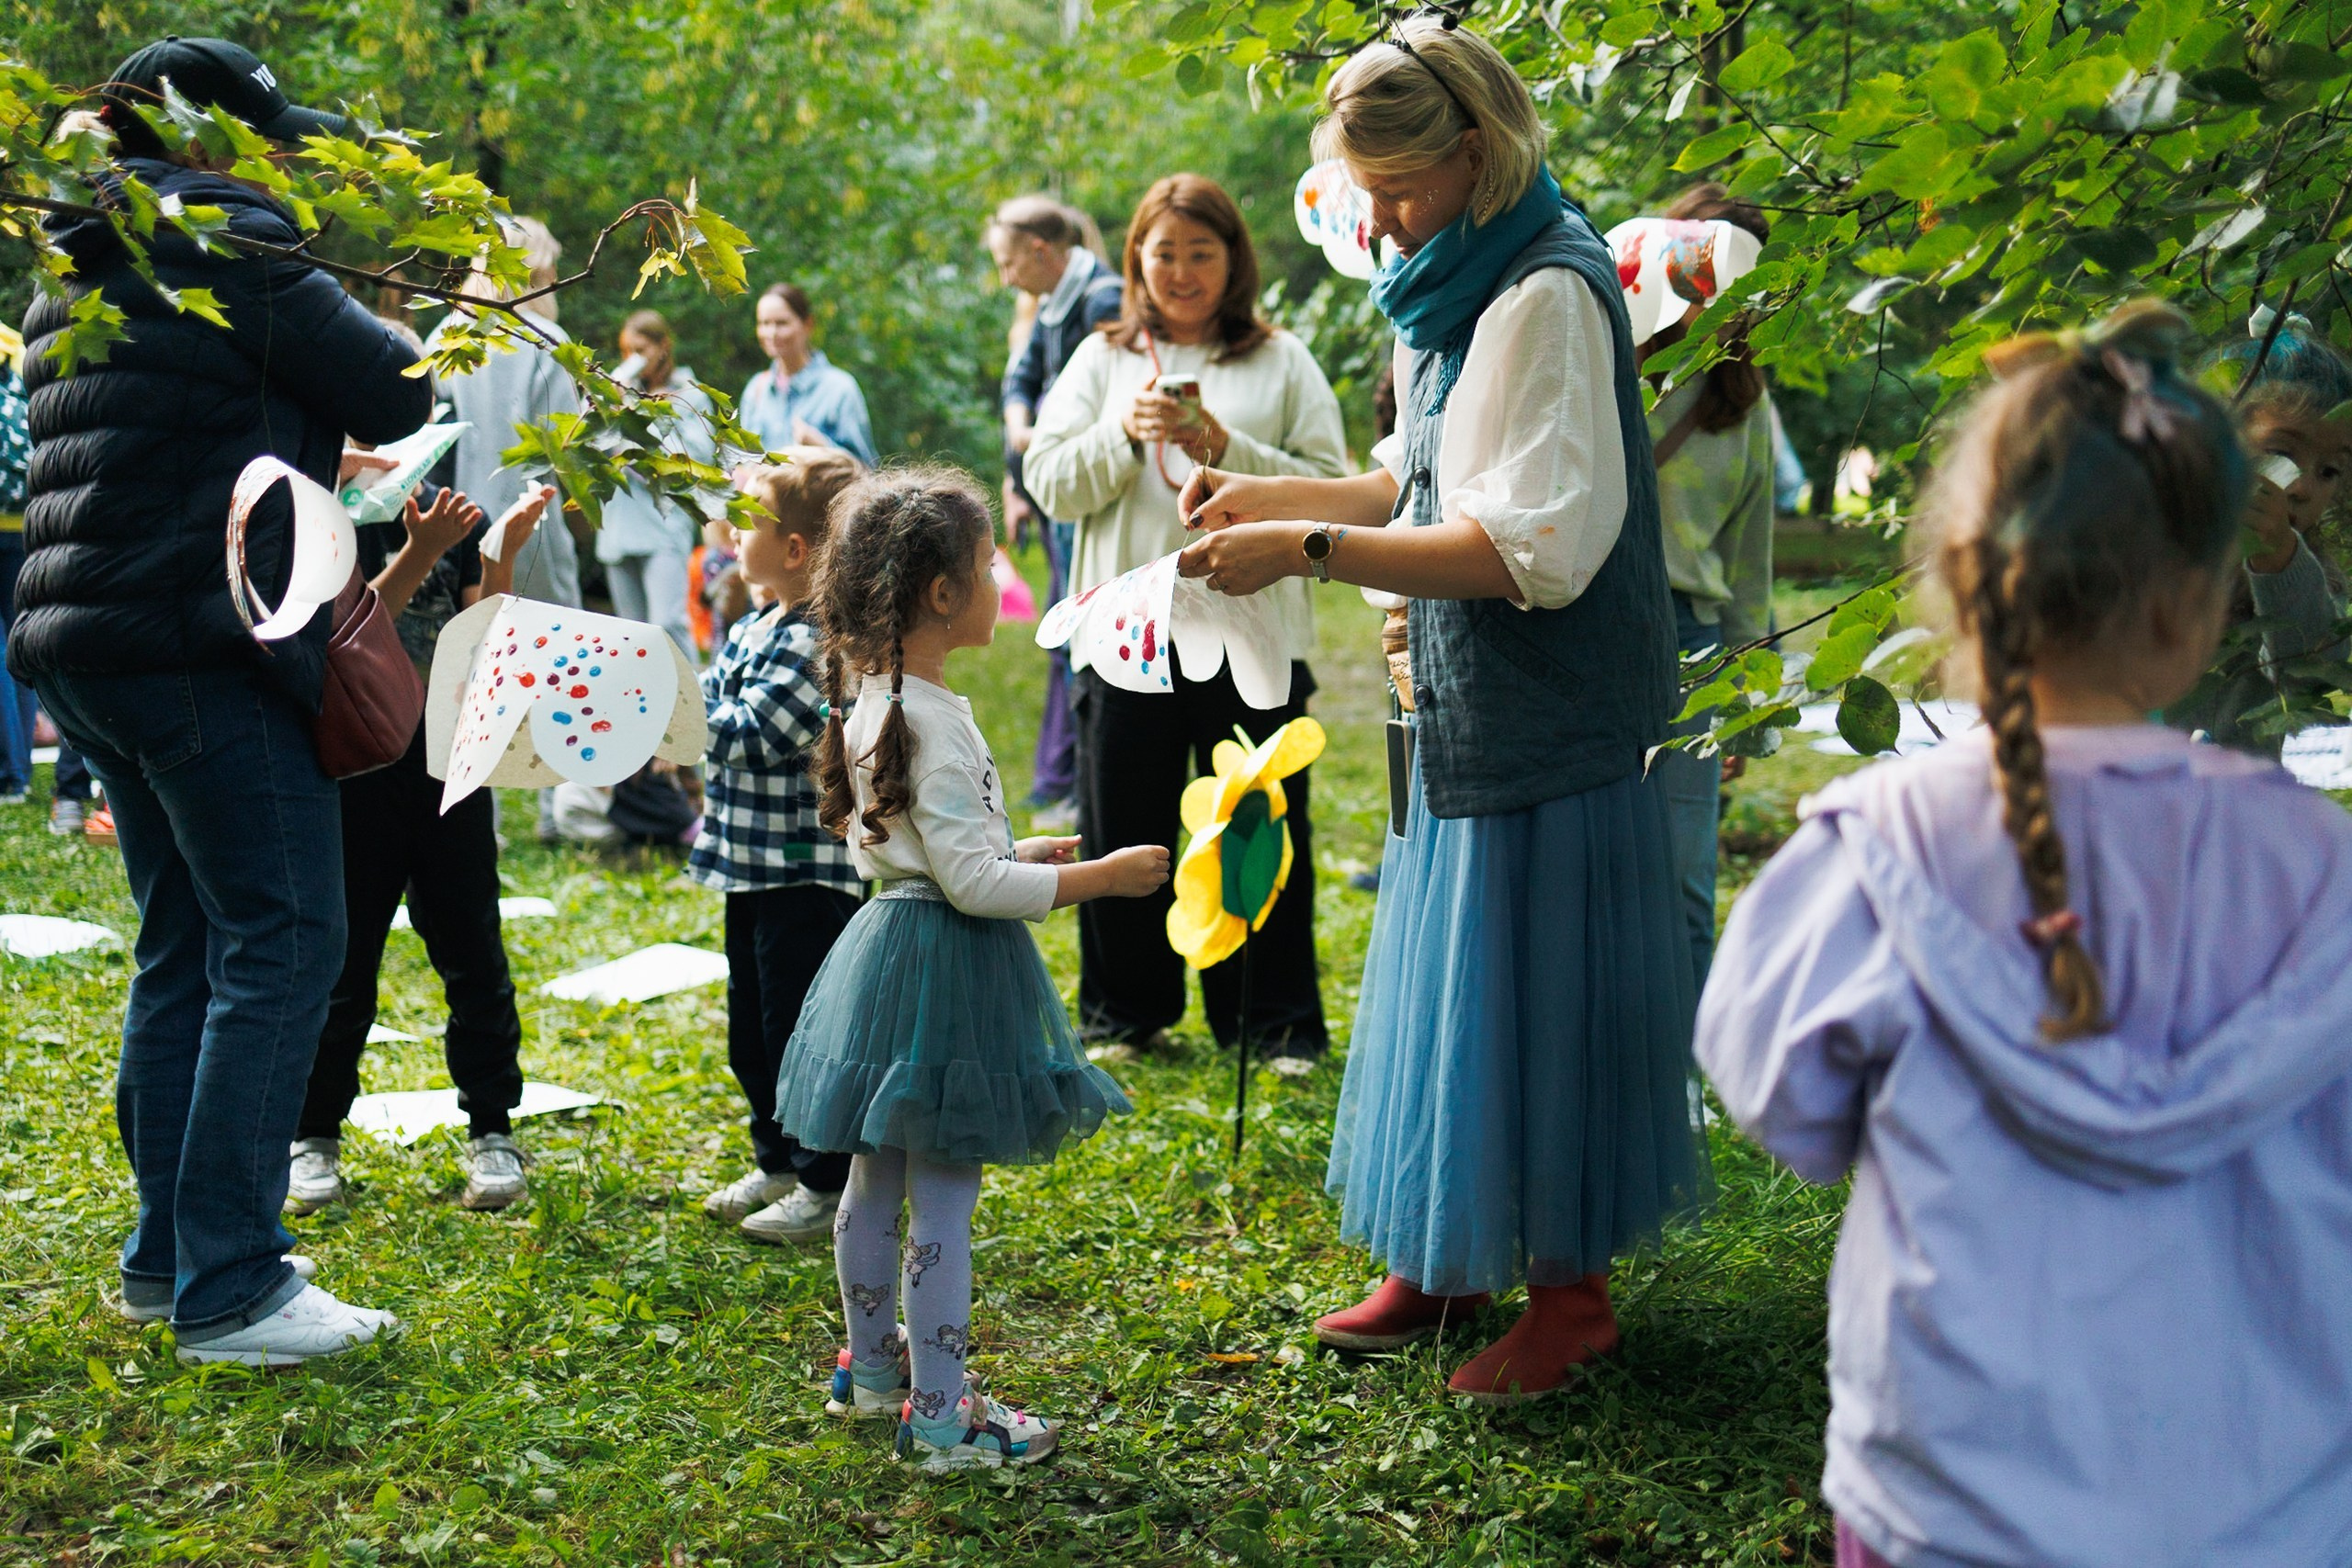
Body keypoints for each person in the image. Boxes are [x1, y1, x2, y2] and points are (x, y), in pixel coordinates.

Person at [1692, 303, 2352, 1568]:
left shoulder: (1875, 848)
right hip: (2262, 1507)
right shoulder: (2320, 870)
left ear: (1961, 575)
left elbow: (1782, 1100)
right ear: (2207, 599)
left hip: (1950, 1499)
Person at [1176, 17, 1706, 1402]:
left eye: (1398, 190)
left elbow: (1525, 547)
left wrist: (1299, 554)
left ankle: (1571, 1295)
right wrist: (1268, 495)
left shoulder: (1544, 293)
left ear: (1474, 151)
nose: (1383, 221)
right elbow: (1411, 481)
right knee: (1453, 973)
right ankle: (1448, 1251)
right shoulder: (1445, 280)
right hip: (1458, 707)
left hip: (1551, 709)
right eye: (1366, 195)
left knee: (1540, 988)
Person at [11, 38, 431, 1364]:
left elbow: (155, 424)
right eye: (266, 140)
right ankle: (234, 1285)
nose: (285, 163)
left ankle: (166, 1256)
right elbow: (397, 386)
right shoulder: (229, 238)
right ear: (210, 141)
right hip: (205, 641)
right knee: (287, 936)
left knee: (186, 939)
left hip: (91, 639)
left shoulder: (67, 264)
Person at [773, 468, 1167, 1471]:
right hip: (946, 972)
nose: (1000, 582)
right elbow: (970, 889)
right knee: (943, 1196)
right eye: (989, 567)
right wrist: (1104, 882)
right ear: (942, 595)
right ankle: (943, 1421)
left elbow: (933, 853)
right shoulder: (933, 719)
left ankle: (871, 1375)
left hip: (886, 956)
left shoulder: (876, 701)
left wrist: (1023, 853)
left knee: (874, 1181)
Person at [1024, 174, 1349, 1067]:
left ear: (1232, 260)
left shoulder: (1280, 360)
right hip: (1125, 638)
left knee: (1255, 817)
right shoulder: (1102, 359)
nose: (1180, 270)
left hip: (1250, 636)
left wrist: (1224, 447)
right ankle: (1124, 1015)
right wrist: (1121, 436)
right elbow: (1048, 482)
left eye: (1200, 252)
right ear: (1136, 261)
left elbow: (1336, 483)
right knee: (1124, 821)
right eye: (1162, 252)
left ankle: (1271, 1021)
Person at [285, 478, 555, 1219]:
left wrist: (496, 556)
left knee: (474, 949)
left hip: (448, 761)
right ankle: (312, 1135)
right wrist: (418, 550)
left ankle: (493, 1127)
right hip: (357, 767)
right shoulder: (315, 510)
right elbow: (337, 642)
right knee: (344, 961)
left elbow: (483, 642)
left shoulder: (445, 506)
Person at [690, 449, 871, 1244]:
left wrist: (669, 713)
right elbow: (711, 697)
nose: (730, 531)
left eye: (748, 520)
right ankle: (778, 1160)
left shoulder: (816, 643)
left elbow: (756, 732)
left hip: (802, 876)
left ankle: (826, 1179)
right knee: (753, 1026)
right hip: (751, 867)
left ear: (795, 550)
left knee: (801, 1025)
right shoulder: (757, 622)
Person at [1626, 183, 1778, 989]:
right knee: (1591, 851)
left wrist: (1750, 709)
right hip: (1588, 625)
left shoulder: (1744, 408)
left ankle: (1681, 1061)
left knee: (1684, 866)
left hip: (1692, 642)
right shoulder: (1600, 365)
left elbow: (1750, 569)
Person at [990, 197, 1125, 828]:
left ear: (1041, 251)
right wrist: (1021, 426)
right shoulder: (1052, 304)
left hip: (1079, 496)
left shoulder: (1101, 299)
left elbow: (1101, 397)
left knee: (1084, 629)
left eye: (1009, 261)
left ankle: (1083, 783)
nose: (1006, 277)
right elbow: (1020, 381)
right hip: (1049, 496)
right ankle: (1069, 778)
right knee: (1064, 628)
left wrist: (1042, 432)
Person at [2163, 318, 2352, 752]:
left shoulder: (2315, 577)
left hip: (2235, 809)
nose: (2303, 487)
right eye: (2282, 454)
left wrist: (2279, 560)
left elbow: (2311, 675)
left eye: (2329, 472)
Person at [599, 310, 712, 660]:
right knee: (630, 636)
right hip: (620, 527)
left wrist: (639, 414)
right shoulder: (619, 397)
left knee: (667, 626)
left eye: (640, 350)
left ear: (663, 347)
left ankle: (697, 705)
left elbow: (692, 460)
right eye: (626, 351)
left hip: (662, 528)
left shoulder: (688, 396)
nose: (633, 359)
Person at [740, 284, 878, 468]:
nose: (771, 333)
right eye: (764, 323)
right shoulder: (756, 389)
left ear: (807, 324)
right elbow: (744, 465)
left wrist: (822, 447)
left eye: (782, 323)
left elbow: (866, 471)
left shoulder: (840, 389)